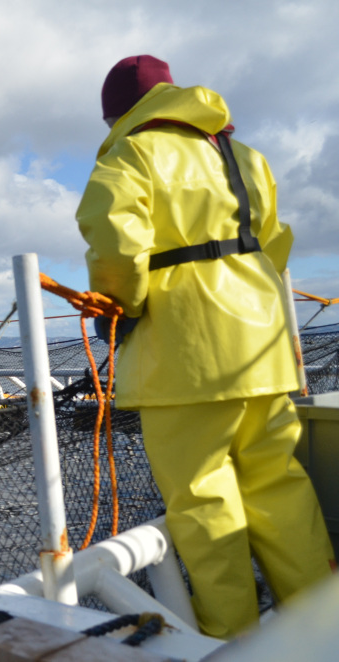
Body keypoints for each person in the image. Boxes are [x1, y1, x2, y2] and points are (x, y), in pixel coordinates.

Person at [75, 54, 335, 640]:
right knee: (280, 487)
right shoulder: (241, 156)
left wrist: (124, 308)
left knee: (202, 501)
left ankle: (234, 640)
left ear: (116, 113)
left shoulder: (130, 154)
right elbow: (275, 244)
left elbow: (115, 249)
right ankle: (324, 625)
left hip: (183, 356)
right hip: (262, 347)